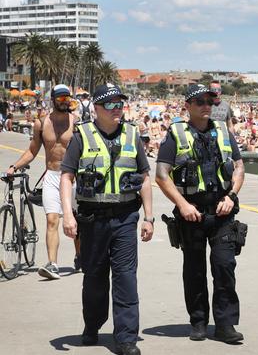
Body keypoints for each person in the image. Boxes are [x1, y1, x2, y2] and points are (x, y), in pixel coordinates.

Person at [60, 83, 154, 355]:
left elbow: (145, 178)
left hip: (125, 216)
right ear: (97, 108)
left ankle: (126, 338)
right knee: (94, 277)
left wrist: (149, 217)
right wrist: (68, 214)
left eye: (120, 104)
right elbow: (67, 177)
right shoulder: (82, 136)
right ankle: (92, 324)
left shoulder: (132, 135)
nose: (117, 109)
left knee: (126, 278)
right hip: (92, 219)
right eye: (111, 104)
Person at [155, 84, 246, 343]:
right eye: (200, 101)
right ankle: (198, 321)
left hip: (222, 211)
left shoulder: (224, 133)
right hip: (191, 212)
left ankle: (226, 324)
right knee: (194, 269)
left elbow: (239, 168)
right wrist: (183, 204)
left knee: (225, 266)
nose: (206, 105)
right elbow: (162, 176)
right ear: (187, 106)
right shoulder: (175, 134)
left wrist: (231, 196)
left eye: (210, 101)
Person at [6, 84, 81, 279]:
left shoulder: (77, 121)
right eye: (61, 98)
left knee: (77, 220)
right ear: (53, 100)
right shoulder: (42, 123)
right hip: (52, 176)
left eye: (68, 98)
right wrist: (15, 166)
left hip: (74, 177)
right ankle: (53, 264)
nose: (65, 102)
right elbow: (33, 151)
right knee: (52, 219)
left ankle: (80, 255)